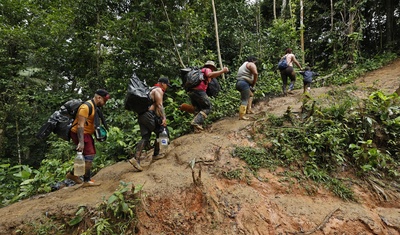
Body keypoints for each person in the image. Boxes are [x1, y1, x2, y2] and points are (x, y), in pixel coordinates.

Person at [66, 89, 110, 187]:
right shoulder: (86, 107)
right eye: (104, 101)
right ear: (99, 98)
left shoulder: (94, 107)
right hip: (80, 133)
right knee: (89, 155)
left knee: (88, 156)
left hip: (86, 133)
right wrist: (81, 142)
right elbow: (80, 126)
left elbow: (91, 123)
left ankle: (74, 175)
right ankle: (85, 180)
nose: (104, 103)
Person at [129, 77, 171, 171]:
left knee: (145, 137)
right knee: (161, 131)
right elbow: (159, 105)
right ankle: (156, 154)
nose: (167, 87)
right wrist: (163, 118)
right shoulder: (158, 90)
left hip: (141, 116)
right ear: (162, 83)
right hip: (149, 116)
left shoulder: (150, 89)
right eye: (166, 85)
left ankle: (136, 159)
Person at [187, 60, 229, 131]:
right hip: (199, 91)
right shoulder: (207, 69)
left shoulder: (200, 71)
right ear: (211, 66)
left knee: (198, 109)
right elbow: (209, 75)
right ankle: (196, 122)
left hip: (192, 92)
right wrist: (222, 71)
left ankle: (197, 129)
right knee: (208, 107)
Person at [236, 56, 258, 120]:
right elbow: (256, 73)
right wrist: (253, 83)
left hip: (239, 83)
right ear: (253, 60)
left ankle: (249, 109)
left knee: (251, 95)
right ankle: (241, 115)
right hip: (244, 83)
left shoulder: (243, 65)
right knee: (245, 99)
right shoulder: (251, 64)